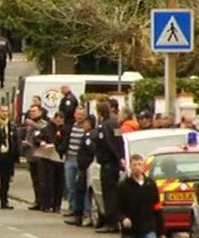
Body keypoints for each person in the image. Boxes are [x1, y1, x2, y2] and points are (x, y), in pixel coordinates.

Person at [117, 154, 165, 238]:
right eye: (134, 165)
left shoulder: (151, 184)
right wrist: (123, 219)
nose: (137, 167)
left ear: (143, 167)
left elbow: (157, 208)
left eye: (139, 164)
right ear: (130, 167)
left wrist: (161, 233)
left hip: (149, 229)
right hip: (130, 231)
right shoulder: (124, 186)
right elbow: (117, 208)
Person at [94, 100, 124, 233]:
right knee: (113, 193)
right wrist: (121, 158)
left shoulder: (103, 126)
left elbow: (109, 144)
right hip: (114, 165)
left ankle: (111, 223)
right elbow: (120, 141)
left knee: (109, 194)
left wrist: (116, 158)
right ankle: (113, 221)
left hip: (108, 165)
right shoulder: (115, 124)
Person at [64, 115, 96, 226]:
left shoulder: (90, 136)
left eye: (85, 123)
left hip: (86, 168)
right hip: (83, 167)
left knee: (84, 191)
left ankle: (85, 215)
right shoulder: (86, 135)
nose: (83, 125)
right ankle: (78, 214)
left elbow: (91, 152)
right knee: (79, 190)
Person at [35, 112, 65, 213]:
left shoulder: (64, 129)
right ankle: (46, 204)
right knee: (46, 182)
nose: (59, 122)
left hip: (59, 158)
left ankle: (57, 205)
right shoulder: (46, 128)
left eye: (61, 120)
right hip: (47, 158)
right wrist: (41, 142)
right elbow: (37, 138)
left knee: (58, 183)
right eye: (57, 119)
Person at [20, 105, 48, 211]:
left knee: (42, 180)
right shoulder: (29, 126)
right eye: (31, 111)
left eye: (34, 111)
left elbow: (44, 132)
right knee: (35, 180)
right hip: (31, 155)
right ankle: (37, 200)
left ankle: (43, 202)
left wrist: (33, 124)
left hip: (40, 155)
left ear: (40, 112)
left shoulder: (42, 124)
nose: (32, 113)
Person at [62, 106, 86, 217]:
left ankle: (81, 210)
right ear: (74, 115)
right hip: (70, 158)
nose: (79, 117)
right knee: (70, 186)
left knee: (80, 186)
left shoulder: (86, 128)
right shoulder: (71, 126)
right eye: (78, 114)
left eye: (82, 114)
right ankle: (72, 207)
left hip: (81, 159)